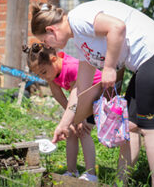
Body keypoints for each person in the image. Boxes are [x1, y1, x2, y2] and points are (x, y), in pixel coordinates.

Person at [30, 0, 154, 187]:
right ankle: (121, 182)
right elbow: (81, 88)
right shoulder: (80, 41)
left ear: (51, 30)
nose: (47, 46)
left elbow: (117, 27)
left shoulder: (78, 18)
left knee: (150, 128)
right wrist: (65, 123)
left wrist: (109, 68)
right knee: (130, 126)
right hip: (147, 63)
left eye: (45, 41)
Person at [23, 43, 101, 182]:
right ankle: (72, 171)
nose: (42, 77)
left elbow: (79, 94)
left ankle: (91, 174)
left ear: (54, 59)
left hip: (96, 95)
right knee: (70, 131)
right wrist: (69, 119)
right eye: (38, 74)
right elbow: (58, 95)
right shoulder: (52, 74)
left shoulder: (71, 68)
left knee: (83, 132)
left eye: (43, 72)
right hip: (79, 99)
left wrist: (78, 118)